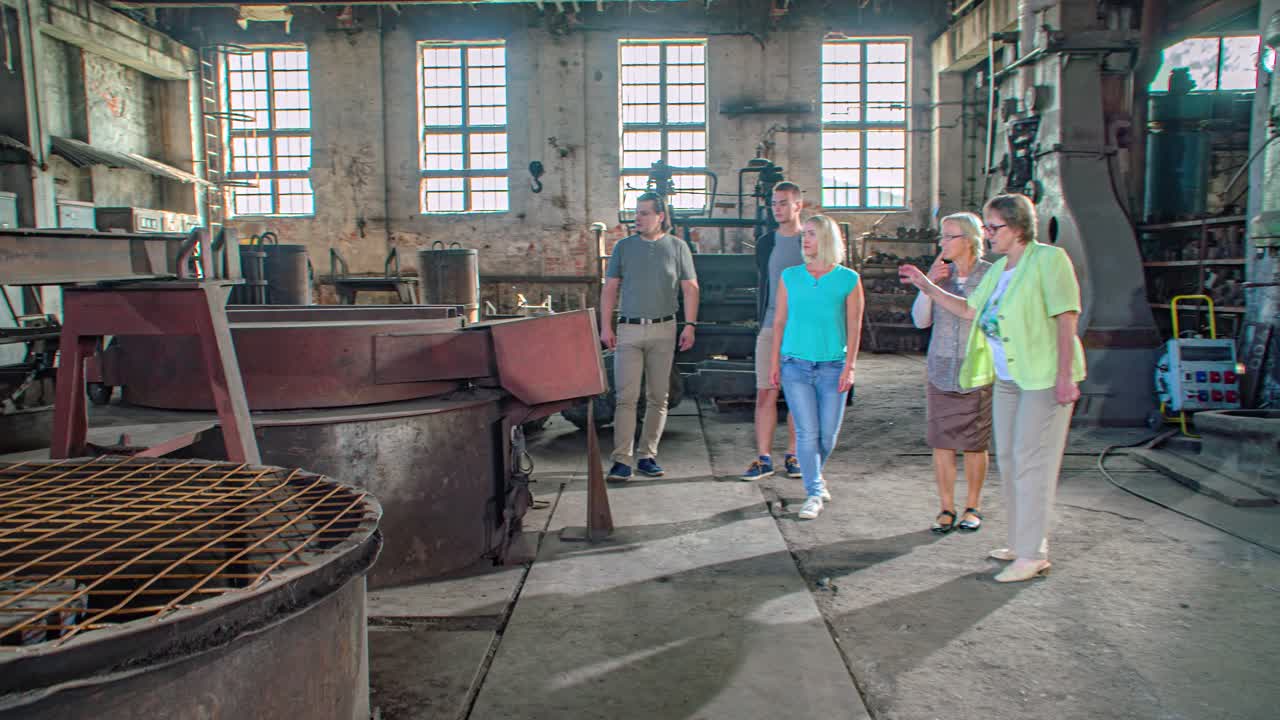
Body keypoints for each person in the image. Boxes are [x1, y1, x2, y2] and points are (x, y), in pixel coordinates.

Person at [899, 193, 1085, 582]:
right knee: (1014, 461)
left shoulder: (1049, 261)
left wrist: (1066, 376)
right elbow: (968, 309)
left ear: (1018, 227)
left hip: (1043, 377)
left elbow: (1066, 318)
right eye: (985, 226)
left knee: (1033, 463)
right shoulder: (1002, 271)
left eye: (993, 226)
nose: (988, 233)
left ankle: (1033, 554)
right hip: (1008, 378)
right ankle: (1020, 543)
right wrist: (926, 286)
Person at [768, 214, 864, 520]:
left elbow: (854, 324)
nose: (804, 239)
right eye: (803, 234)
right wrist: (774, 362)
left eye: (810, 234)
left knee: (827, 436)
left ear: (826, 239)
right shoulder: (790, 276)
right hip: (794, 364)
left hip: (833, 366)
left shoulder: (848, 279)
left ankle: (815, 478)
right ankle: (813, 492)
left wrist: (850, 366)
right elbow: (779, 321)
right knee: (807, 433)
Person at [600, 192, 700, 481]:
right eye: (637, 212)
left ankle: (647, 456)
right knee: (626, 398)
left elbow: (691, 288)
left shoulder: (677, 247)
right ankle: (621, 459)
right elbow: (610, 289)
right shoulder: (623, 247)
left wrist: (690, 324)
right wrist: (606, 327)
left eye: (644, 213)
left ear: (661, 216)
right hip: (628, 330)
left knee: (658, 397)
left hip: (664, 329)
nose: (638, 218)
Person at [910, 212, 993, 534]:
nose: (942, 243)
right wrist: (927, 285)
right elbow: (920, 321)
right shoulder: (938, 276)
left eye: (949, 236)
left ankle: (973, 505)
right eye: (942, 237)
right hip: (941, 366)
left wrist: (932, 287)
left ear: (970, 240)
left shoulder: (990, 275)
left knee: (974, 442)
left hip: (976, 367)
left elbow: (976, 315)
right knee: (942, 442)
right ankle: (946, 507)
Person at [741, 182, 803, 481]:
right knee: (766, 392)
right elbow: (765, 283)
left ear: (798, 206)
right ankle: (763, 458)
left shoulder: (810, 241)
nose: (777, 208)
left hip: (802, 331)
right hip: (769, 326)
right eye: (774, 203)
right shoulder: (766, 243)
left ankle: (794, 455)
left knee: (797, 395)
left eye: (783, 203)